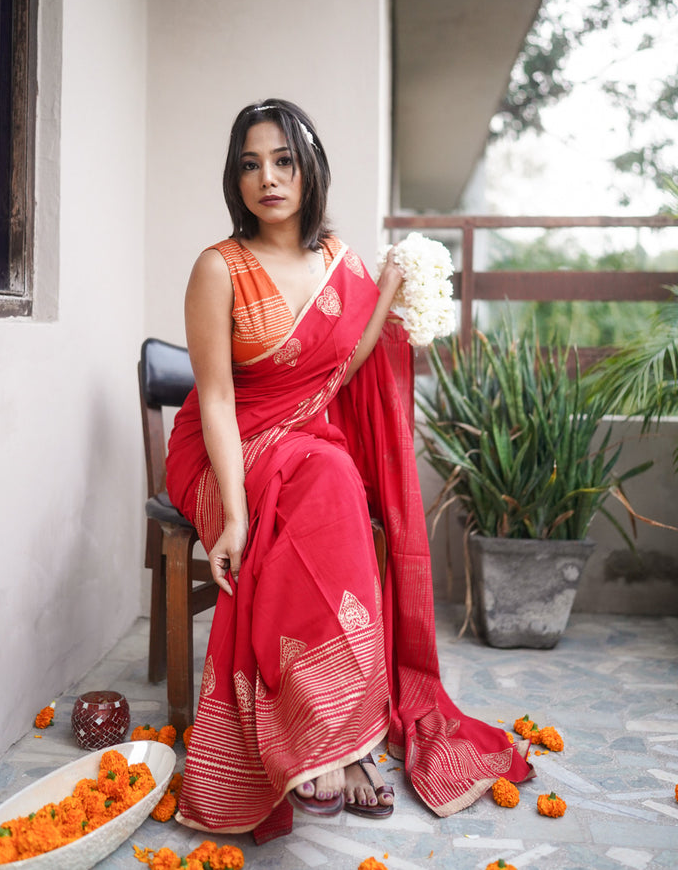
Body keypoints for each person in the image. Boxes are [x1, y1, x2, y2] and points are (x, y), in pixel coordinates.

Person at [165, 99, 533, 844]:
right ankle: (331, 737)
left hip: (305, 449)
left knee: (332, 477)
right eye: (250, 163)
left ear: (309, 170)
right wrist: (232, 516)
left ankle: (346, 734)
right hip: (225, 451)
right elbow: (214, 400)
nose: (266, 178)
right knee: (321, 477)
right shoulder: (219, 268)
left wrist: (389, 294)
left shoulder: (340, 260)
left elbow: (336, 376)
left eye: (283, 161)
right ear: (234, 178)